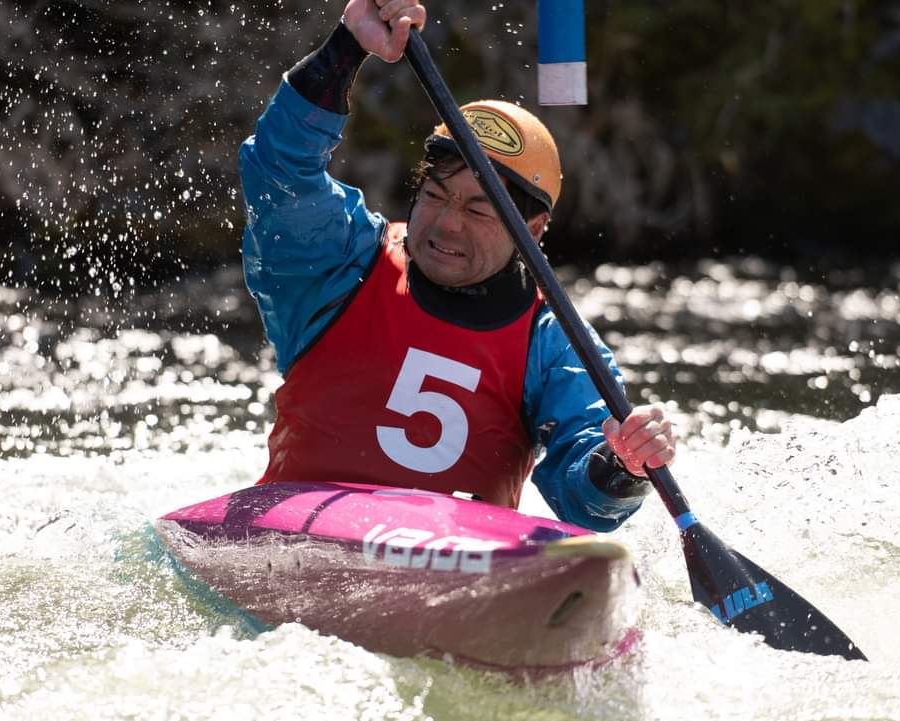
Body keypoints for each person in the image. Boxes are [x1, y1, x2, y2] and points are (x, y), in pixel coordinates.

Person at [239, 0, 676, 532]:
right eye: (436, 196)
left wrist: (624, 467)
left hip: (459, 579)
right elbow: (278, 165)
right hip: (293, 545)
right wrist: (347, 48)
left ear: (532, 233)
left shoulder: (553, 343)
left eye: (477, 210)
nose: (447, 224)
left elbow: (583, 503)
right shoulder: (343, 264)